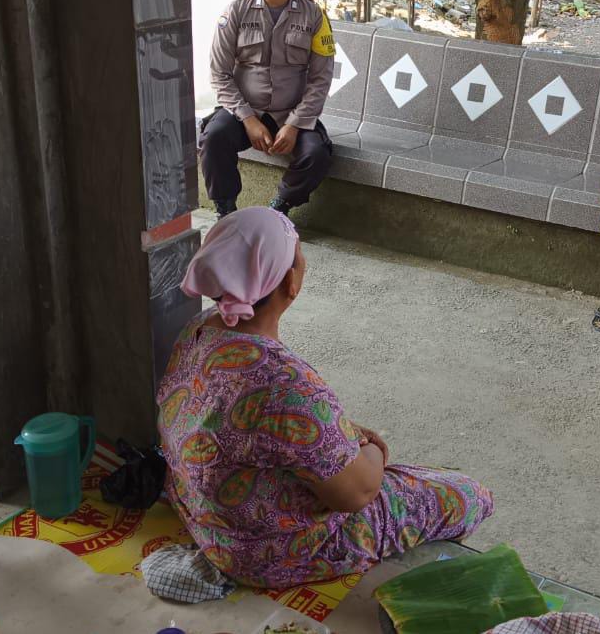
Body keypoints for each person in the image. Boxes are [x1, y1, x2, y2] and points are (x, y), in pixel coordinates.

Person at [157, 207, 494, 588]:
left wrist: (343, 433)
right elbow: (357, 492)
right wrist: (371, 449)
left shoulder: (200, 328)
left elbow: (261, 427)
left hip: (203, 515)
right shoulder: (283, 383)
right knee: (468, 495)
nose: (303, 263)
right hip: (261, 553)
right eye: (299, 256)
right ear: (290, 282)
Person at [200, 0, 335, 217]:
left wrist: (295, 124)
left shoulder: (314, 16)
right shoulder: (235, 11)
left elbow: (320, 79)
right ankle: (226, 211)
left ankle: (279, 208)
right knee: (213, 138)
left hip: (291, 114)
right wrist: (248, 119)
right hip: (243, 112)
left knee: (317, 154)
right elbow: (219, 73)